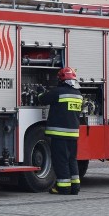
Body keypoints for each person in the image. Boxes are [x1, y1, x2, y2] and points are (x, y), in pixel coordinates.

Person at [39, 67, 83, 195]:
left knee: (61, 160)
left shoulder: (58, 92)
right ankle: (75, 187)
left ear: (61, 79)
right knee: (72, 159)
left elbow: (42, 99)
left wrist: (40, 92)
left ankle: (63, 187)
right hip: (73, 134)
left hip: (59, 134)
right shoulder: (78, 95)